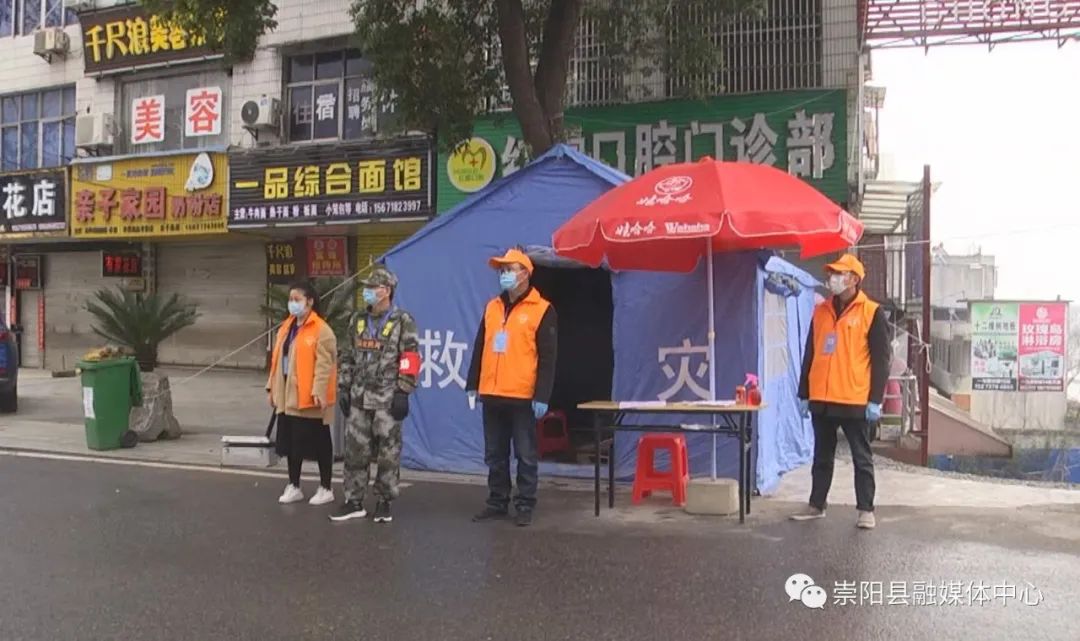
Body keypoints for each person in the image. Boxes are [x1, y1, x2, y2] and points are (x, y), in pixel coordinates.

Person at [792, 254, 890, 530]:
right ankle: (816, 504)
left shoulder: (871, 312)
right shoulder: (821, 311)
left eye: (839, 274)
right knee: (822, 456)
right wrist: (804, 392)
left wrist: (875, 400)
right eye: (832, 274)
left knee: (861, 457)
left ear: (854, 279)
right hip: (822, 397)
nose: (833, 278)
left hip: (853, 398)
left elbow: (881, 360)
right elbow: (810, 353)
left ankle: (866, 510)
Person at [466, 248, 557, 527]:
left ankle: (525, 503)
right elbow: (480, 346)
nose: (504, 274)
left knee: (525, 453)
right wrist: (472, 383)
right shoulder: (492, 307)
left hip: (522, 395)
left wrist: (542, 395)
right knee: (495, 453)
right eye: (502, 270)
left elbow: (548, 357)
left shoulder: (542, 309)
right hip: (492, 392)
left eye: (509, 269)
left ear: (525, 274)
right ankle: (497, 501)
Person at [330, 266, 420, 525]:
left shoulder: (403, 321)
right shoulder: (357, 320)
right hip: (359, 398)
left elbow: (410, 357)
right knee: (355, 452)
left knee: (387, 454)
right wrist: (344, 387)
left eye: (372, 288)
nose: (367, 292)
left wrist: (403, 391)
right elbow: (347, 355)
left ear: (386, 291)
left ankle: (384, 501)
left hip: (387, 399)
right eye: (366, 288)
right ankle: (354, 501)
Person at [267, 281, 338, 506]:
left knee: (319, 441)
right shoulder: (287, 327)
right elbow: (277, 359)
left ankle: (326, 487)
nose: (292, 303)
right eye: (291, 299)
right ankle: (294, 485)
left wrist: (319, 390)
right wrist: (271, 388)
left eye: (297, 299)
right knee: (291, 442)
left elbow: (325, 365)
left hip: (310, 396)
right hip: (287, 393)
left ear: (310, 301)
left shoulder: (321, 329)